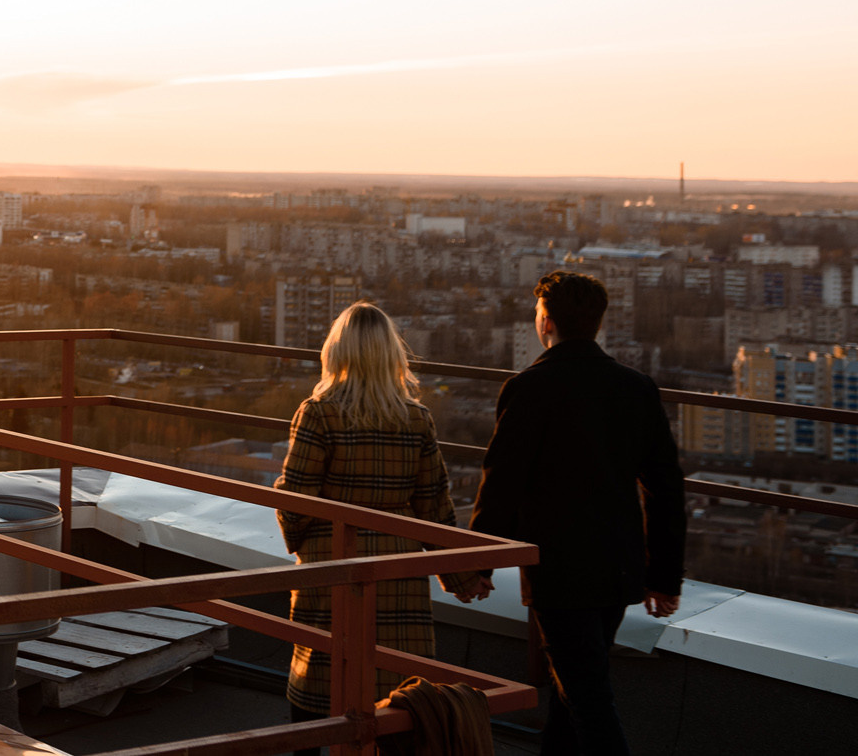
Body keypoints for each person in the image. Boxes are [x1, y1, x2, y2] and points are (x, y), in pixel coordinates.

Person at [464, 271, 685, 756]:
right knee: (575, 692)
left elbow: (501, 483)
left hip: (559, 570)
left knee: (587, 698)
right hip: (620, 568)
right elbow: (666, 488)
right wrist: (664, 575)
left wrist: (478, 563)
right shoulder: (637, 388)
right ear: (597, 324)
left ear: (545, 321)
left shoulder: (529, 387)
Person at [274, 301, 477, 755]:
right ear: (391, 354)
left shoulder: (319, 412)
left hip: (333, 562)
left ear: (336, 350)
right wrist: (461, 576)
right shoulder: (415, 417)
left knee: (318, 678)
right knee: (396, 685)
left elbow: (295, 497)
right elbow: (435, 506)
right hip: (397, 565)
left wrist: (301, 543)